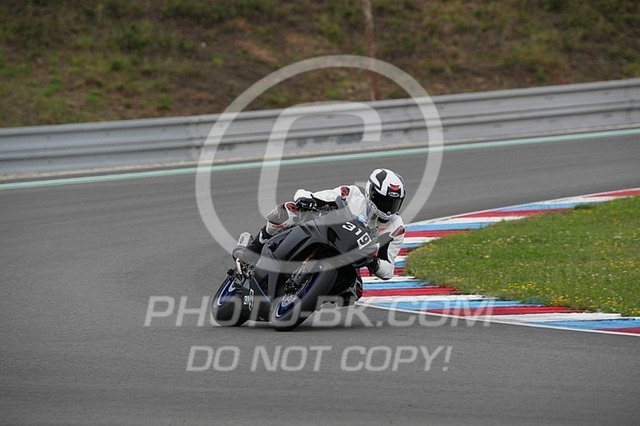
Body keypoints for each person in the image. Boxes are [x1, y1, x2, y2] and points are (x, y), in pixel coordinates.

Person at [235, 168, 406, 304]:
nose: (388, 209)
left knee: (354, 292)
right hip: (327, 234)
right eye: (385, 201)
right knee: (289, 211)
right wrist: (306, 199)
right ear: (371, 193)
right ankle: (254, 249)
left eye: (394, 203)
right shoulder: (351, 194)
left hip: (350, 259)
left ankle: (310, 295)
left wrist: (374, 262)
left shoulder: (396, 228)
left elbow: (388, 270)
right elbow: (314, 195)